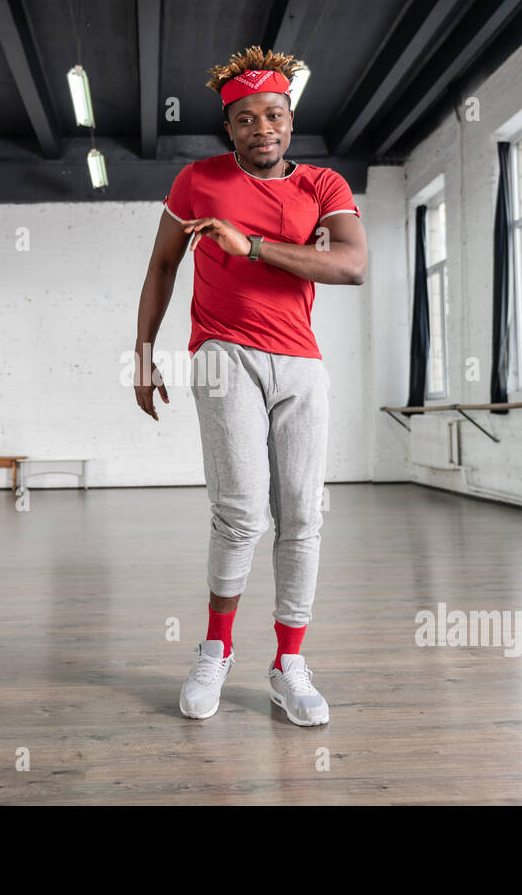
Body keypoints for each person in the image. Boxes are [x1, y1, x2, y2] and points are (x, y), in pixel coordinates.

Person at [132, 46, 368, 726]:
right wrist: (144, 353)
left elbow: (350, 266)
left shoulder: (324, 186)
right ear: (229, 128)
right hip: (220, 353)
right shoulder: (196, 182)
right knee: (240, 513)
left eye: (273, 114)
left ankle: (289, 663)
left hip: (299, 362)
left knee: (302, 514)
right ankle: (215, 648)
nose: (261, 128)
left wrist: (253, 246)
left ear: (290, 120)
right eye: (245, 119)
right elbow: (161, 267)